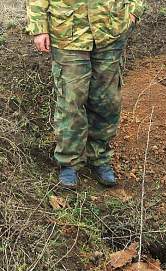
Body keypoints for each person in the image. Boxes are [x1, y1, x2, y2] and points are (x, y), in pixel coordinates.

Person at [26, 0, 145, 188]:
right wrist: (39, 27)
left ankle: (98, 157)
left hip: (111, 31)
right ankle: (69, 162)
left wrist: (133, 12)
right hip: (68, 33)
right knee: (71, 101)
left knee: (106, 100)